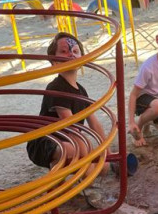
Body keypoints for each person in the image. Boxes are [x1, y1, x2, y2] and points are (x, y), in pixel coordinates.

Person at [27, 32, 106, 169]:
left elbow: (95, 124)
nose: (71, 54)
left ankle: (63, 171)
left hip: (67, 139)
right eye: (64, 52)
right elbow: (72, 128)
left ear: (82, 58)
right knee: (76, 152)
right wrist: (88, 158)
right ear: (54, 61)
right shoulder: (56, 88)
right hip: (44, 142)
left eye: (75, 51)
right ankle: (57, 179)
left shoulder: (81, 91)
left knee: (100, 166)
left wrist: (107, 153)